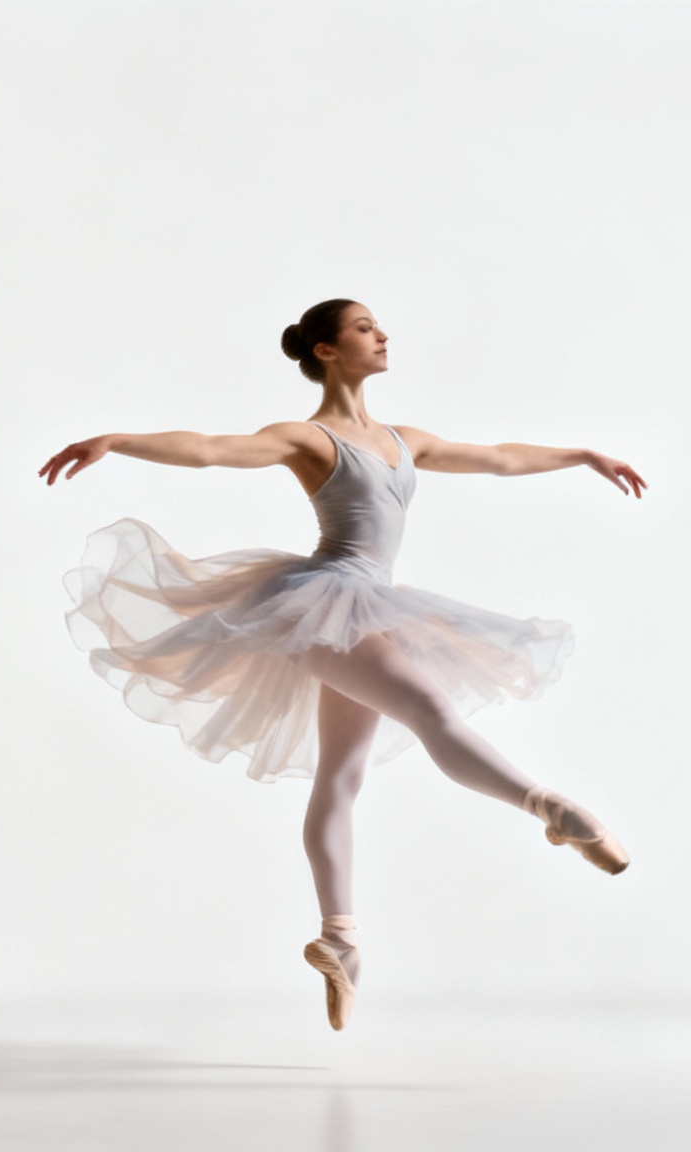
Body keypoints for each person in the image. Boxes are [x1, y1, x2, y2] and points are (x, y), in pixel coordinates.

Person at [40, 299, 645, 1030]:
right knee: (430, 713)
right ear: (326, 351)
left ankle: (340, 941)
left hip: (374, 603)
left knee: (342, 775)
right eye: (364, 327)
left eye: (378, 326)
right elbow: (209, 448)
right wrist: (121, 440)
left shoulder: (403, 440)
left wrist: (583, 455)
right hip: (325, 602)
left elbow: (497, 459)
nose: (382, 335)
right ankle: (556, 810)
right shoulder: (308, 437)